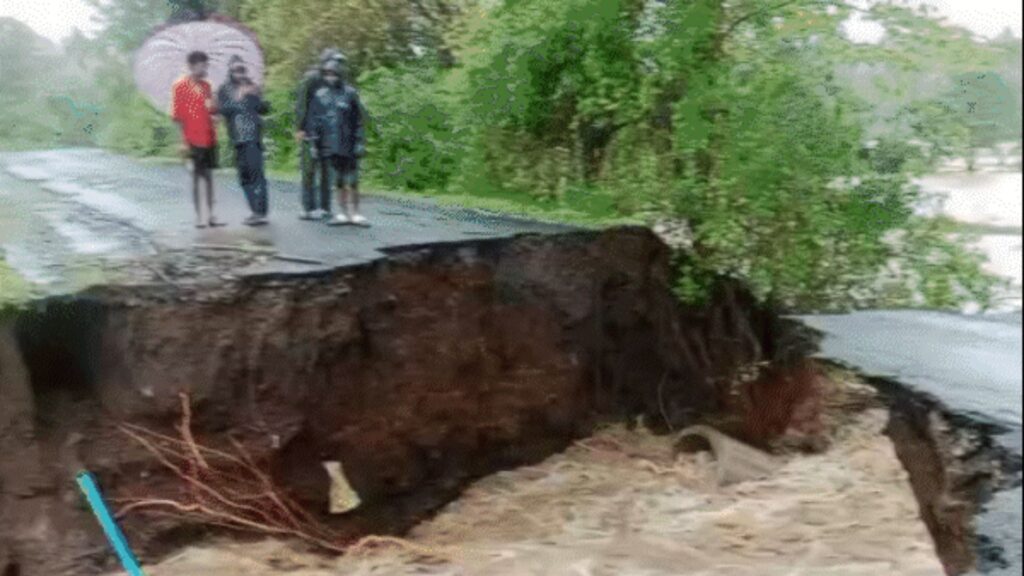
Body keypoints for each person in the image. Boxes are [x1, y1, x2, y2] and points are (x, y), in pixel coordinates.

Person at [308, 56, 368, 226]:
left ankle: (355, 213)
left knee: (353, 180)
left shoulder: (350, 93)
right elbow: (315, 122)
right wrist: (314, 144)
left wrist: (360, 142)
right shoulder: (320, 96)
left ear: (340, 74)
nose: (330, 77)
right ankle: (342, 213)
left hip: (349, 144)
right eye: (327, 74)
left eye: (333, 73)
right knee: (338, 181)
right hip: (330, 145)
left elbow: (359, 121)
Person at [218, 55, 272, 226]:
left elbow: (263, 109)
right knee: (244, 178)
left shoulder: (252, 87)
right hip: (237, 139)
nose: (240, 73)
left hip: (253, 137)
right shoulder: (224, 90)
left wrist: (259, 95)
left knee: (258, 175)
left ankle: (260, 212)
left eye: (242, 69)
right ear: (230, 71)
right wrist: (239, 99)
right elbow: (224, 110)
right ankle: (254, 210)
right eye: (236, 70)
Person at [171, 50, 222, 228]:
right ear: (192, 66)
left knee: (209, 177)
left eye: (206, 65)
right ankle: (199, 216)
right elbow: (177, 117)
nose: (205, 68)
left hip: (209, 137)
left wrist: (215, 113)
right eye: (202, 65)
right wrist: (182, 142)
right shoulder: (180, 87)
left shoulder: (207, 87)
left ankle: (211, 215)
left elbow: (212, 111)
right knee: (196, 177)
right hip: (192, 138)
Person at [295, 48, 346, 221]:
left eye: (339, 62)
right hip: (311, 130)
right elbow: (302, 103)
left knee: (327, 171)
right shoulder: (312, 78)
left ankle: (325, 207)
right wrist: (300, 128)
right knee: (309, 170)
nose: (337, 65)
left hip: (330, 132)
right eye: (334, 60)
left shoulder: (338, 81)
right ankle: (308, 207)